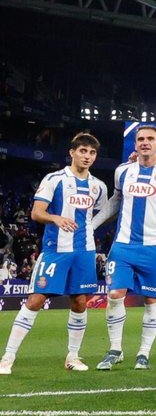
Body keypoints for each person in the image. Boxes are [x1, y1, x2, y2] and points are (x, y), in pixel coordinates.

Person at [1, 133, 109, 375]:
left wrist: (92, 226)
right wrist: (55, 218)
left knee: (80, 302)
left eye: (92, 153)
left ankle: (72, 356)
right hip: (55, 251)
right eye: (82, 151)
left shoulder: (98, 186)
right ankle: (7, 358)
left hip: (84, 252)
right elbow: (36, 212)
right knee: (35, 300)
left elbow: (104, 211)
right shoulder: (54, 179)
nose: (87, 156)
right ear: (72, 152)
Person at [95, 124, 156, 370]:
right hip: (123, 246)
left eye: (150, 139)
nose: (145, 142)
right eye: (140, 139)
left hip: (154, 248)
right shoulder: (123, 171)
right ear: (135, 144)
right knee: (115, 295)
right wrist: (91, 225)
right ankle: (115, 349)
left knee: (152, 300)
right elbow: (115, 201)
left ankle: (143, 353)